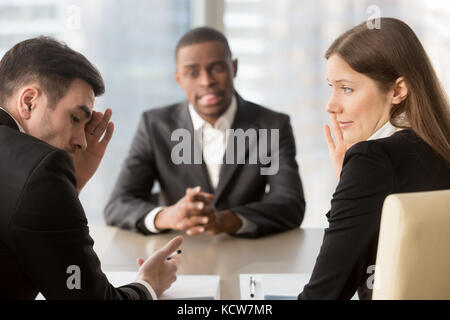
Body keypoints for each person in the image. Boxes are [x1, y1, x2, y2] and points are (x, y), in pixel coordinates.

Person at [0, 37, 182, 299]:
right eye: (75, 118)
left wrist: (70, 187)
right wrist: (149, 284)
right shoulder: (39, 170)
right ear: (29, 102)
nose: (82, 141)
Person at [298, 18, 450, 300]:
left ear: (397, 91)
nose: (331, 105)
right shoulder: (440, 144)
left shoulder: (372, 160)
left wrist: (351, 181)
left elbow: (324, 293)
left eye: (347, 89)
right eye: (331, 86)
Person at [104, 27, 305, 238]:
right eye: (192, 73)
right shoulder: (155, 125)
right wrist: (167, 216)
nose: (206, 81)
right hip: (179, 255)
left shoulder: (271, 125)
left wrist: (227, 220)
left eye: (217, 68)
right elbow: (118, 204)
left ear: (234, 68)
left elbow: (290, 204)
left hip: (249, 257)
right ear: (179, 79)